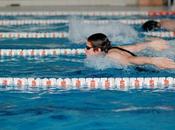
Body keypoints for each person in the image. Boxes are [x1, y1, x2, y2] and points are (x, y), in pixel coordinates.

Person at [85, 33, 175, 69]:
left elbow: (130, 59)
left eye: (88, 48)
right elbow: (135, 47)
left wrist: (152, 60)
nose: (85, 50)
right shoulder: (114, 48)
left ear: (97, 49)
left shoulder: (112, 55)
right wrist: (149, 44)